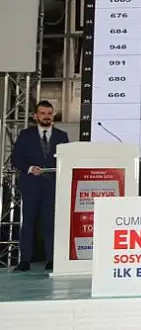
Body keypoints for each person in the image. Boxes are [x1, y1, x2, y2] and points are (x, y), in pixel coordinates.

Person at [11, 101, 70, 271]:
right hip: (31, 185)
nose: (46, 116)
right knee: (28, 222)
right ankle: (25, 260)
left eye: (49, 113)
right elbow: (16, 158)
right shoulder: (25, 135)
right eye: (43, 113)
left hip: (52, 186)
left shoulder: (62, 136)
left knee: (51, 223)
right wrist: (30, 168)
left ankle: (52, 259)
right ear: (35, 116)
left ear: (53, 116)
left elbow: (67, 159)